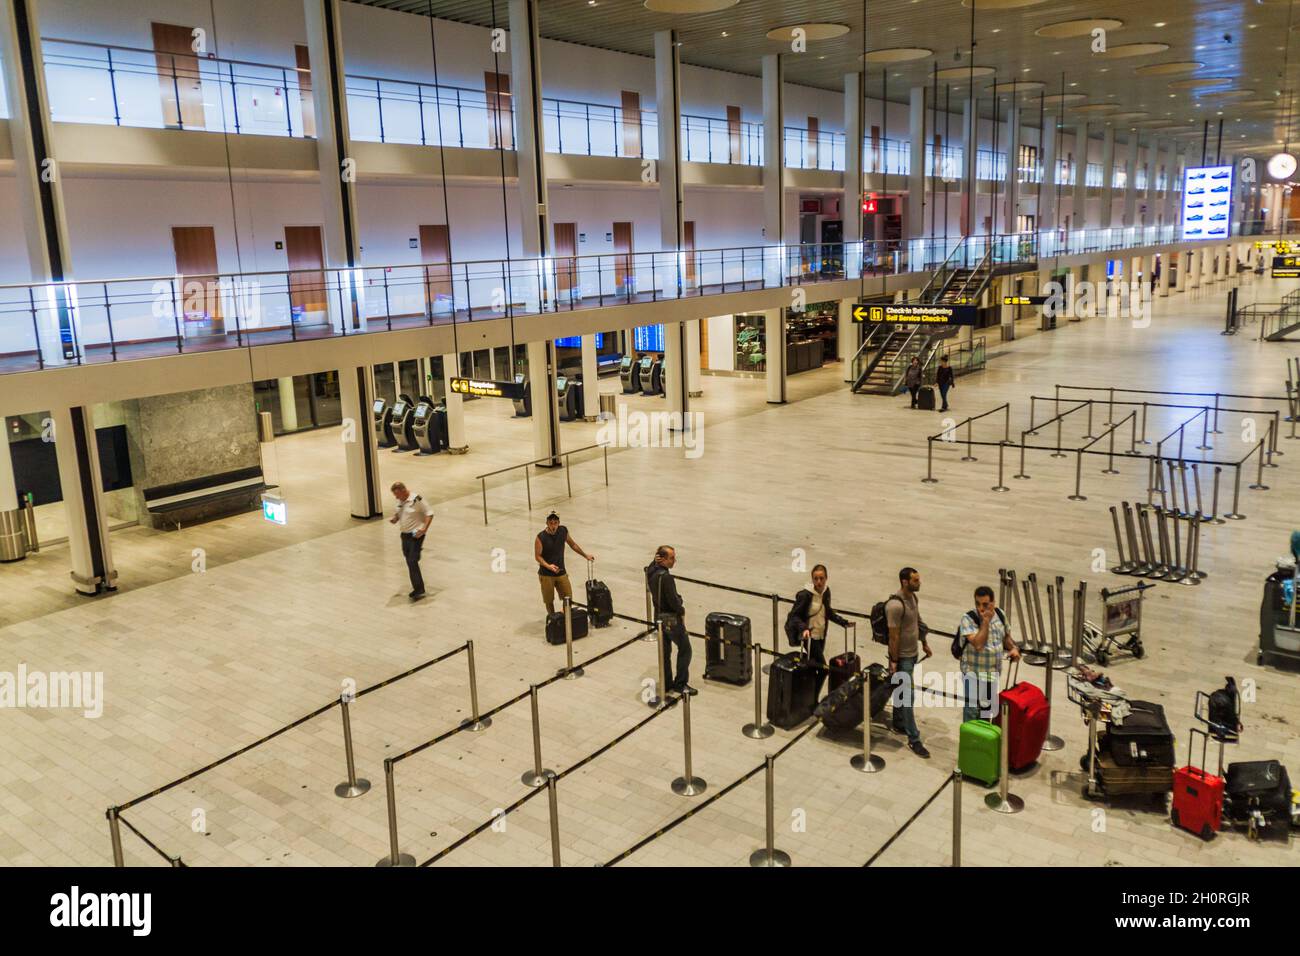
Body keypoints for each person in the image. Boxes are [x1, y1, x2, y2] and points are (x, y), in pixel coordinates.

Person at [886, 566, 932, 758]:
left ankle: (898, 722)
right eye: (915, 580)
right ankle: (914, 739)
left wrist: (924, 643)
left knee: (902, 692)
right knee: (908, 696)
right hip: (902, 657)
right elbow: (893, 637)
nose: (919, 583)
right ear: (905, 582)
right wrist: (894, 661)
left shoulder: (913, 598)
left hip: (912, 654)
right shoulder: (895, 606)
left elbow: (917, 623)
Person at [956, 585, 1020, 723]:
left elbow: (1006, 638)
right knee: (972, 715)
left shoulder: (1001, 615)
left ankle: (983, 744)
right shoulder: (968, 619)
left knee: (986, 714)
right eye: (977, 604)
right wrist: (985, 621)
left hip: (992, 675)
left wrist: (1013, 648)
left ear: (993, 603)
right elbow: (978, 644)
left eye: (985, 604)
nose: (981, 608)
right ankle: (970, 744)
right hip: (973, 675)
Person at [645, 545, 695, 698]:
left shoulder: (650, 571)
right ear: (663, 559)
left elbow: (650, 567)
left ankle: (667, 683)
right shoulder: (666, 578)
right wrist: (681, 609)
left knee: (665, 652)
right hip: (671, 619)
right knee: (685, 649)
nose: (674, 561)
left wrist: (654, 561)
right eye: (672, 558)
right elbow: (673, 600)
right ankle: (680, 683)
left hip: (658, 616)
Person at [787, 564, 851, 670]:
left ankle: (809, 686)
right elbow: (795, 616)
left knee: (814, 667)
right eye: (816, 579)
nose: (819, 582)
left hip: (821, 635)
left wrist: (843, 622)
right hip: (810, 636)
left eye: (821, 578)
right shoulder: (805, 595)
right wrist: (804, 628)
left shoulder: (826, 592)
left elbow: (828, 612)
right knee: (823, 668)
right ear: (812, 579)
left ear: (826, 578)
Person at [534, 511, 594, 615]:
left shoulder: (563, 531)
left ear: (559, 522)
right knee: (549, 600)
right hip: (546, 574)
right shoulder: (541, 537)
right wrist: (549, 566)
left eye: (555, 522)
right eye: (551, 523)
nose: (553, 525)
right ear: (547, 523)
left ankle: (565, 617)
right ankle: (553, 619)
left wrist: (585, 555)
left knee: (568, 597)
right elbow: (537, 556)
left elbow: (573, 544)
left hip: (561, 571)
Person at [389, 481, 432, 600]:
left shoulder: (416, 499)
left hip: (416, 534)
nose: (396, 497)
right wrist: (395, 518)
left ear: (404, 490)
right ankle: (418, 586)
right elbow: (400, 513)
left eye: (397, 495)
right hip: (404, 535)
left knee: (412, 560)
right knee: (409, 560)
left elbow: (429, 513)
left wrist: (424, 529)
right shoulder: (400, 501)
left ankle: (418, 589)